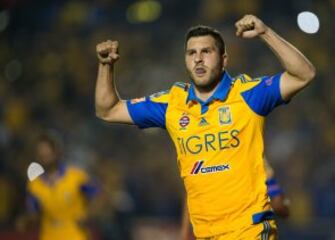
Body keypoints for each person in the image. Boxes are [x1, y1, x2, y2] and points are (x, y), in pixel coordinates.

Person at [95, 14, 315, 239]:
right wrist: (105, 66)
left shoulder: (249, 94)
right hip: (205, 234)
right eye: (192, 53)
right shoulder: (172, 103)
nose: (198, 59)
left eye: (206, 52)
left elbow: (304, 75)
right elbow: (108, 110)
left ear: (224, 59)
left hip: (249, 230)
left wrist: (265, 32)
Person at [180, 157, 290, 240]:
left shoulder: (199, 149)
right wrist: (285, 206)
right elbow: (278, 204)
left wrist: (185, 233)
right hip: (245, 230)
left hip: (209, 231)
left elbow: (191, 193)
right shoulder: (249, 151)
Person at [19, 131, 98, 240]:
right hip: (49, 236)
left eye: (48, 150)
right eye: (41, 151)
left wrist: (87, 215)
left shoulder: (76, 176)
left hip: (75, 235)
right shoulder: (34, 185)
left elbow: (97, 195)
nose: (45, 154)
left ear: (56, 151)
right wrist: (25, 221)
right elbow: (33, 213)